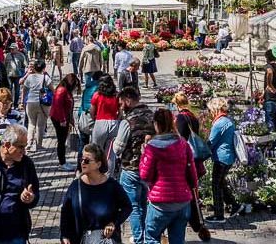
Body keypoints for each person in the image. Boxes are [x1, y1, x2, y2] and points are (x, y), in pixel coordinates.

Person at [140, 109, 198, 244]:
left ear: (156, 124)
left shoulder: (152, 147)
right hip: (182, 201)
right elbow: (192, 174)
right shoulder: (183, 144)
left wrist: (143, 156)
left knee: (151, 238)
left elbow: (145, 175)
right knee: (177, 240)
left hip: (160, 203)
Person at [60, 143, 133, 244]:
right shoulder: (75, 186)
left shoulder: (112, 186)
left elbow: (127, 207)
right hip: (81, 240)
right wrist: (64, 236)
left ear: (98, 164)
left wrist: (113, 223)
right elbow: (65, 213)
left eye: (87, 160)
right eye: (81, 159)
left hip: (106, 240)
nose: (83, 163)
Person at [112, 87, 156, 244]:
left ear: (128, 100)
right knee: (145, 203)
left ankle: (139, 238)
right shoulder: (152, 116)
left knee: (133, 206)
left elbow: (118, 148)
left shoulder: (128, 121)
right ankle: (147, 236)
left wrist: (114, 143)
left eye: (121, 103)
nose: (120, 106)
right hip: (149, 168)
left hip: (131, 167)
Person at [205, 98, 238, 223]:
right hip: (229, 156)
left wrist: (201, 153)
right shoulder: (228, 121)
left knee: (216, 185)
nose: (210, 113)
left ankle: (219, 215)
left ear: (215, 109)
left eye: (210, 110)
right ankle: (234, 205)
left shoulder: (219, 123)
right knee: (221, 183)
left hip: (221, 157)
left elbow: (211, 142)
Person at [20, 60, 54, 151]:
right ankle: (39, 145)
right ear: (44, 68)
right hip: (42, 103)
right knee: (40, 125)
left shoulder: (29, 77)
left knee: (31, 124)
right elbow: (52, 90)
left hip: (30, 102)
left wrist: (22, 102)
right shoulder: (45, 77)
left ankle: (29, 144)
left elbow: (24, 90)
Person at [49, 74, 80, 171]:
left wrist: (71, 118)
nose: (75, 87)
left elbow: (68, 106)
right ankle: (62, 162)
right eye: (75, 85)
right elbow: (58, 106)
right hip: (59, 118)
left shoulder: (66, 90)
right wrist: (62, 120)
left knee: (63, 140)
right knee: (61, 141)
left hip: (64, 117)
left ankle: (63, 161)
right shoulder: (62, 90)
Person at [90, 74, 120, 151]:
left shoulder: (97, 95)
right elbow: (120, 112)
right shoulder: (116, 95)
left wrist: (94, 119)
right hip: (113, 122)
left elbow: (92, 112)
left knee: (97, 150)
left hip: (100, 122)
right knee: (111, 151)